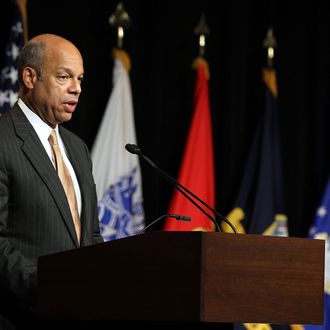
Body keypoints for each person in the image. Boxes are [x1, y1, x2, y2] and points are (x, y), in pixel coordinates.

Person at [0, 34, 104, 329]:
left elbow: (91, 236)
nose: (77, 89)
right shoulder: (3, 139)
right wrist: (52, 288)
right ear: (30, 77)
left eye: (80, 79)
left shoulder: (78, 149)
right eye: (64, 77)